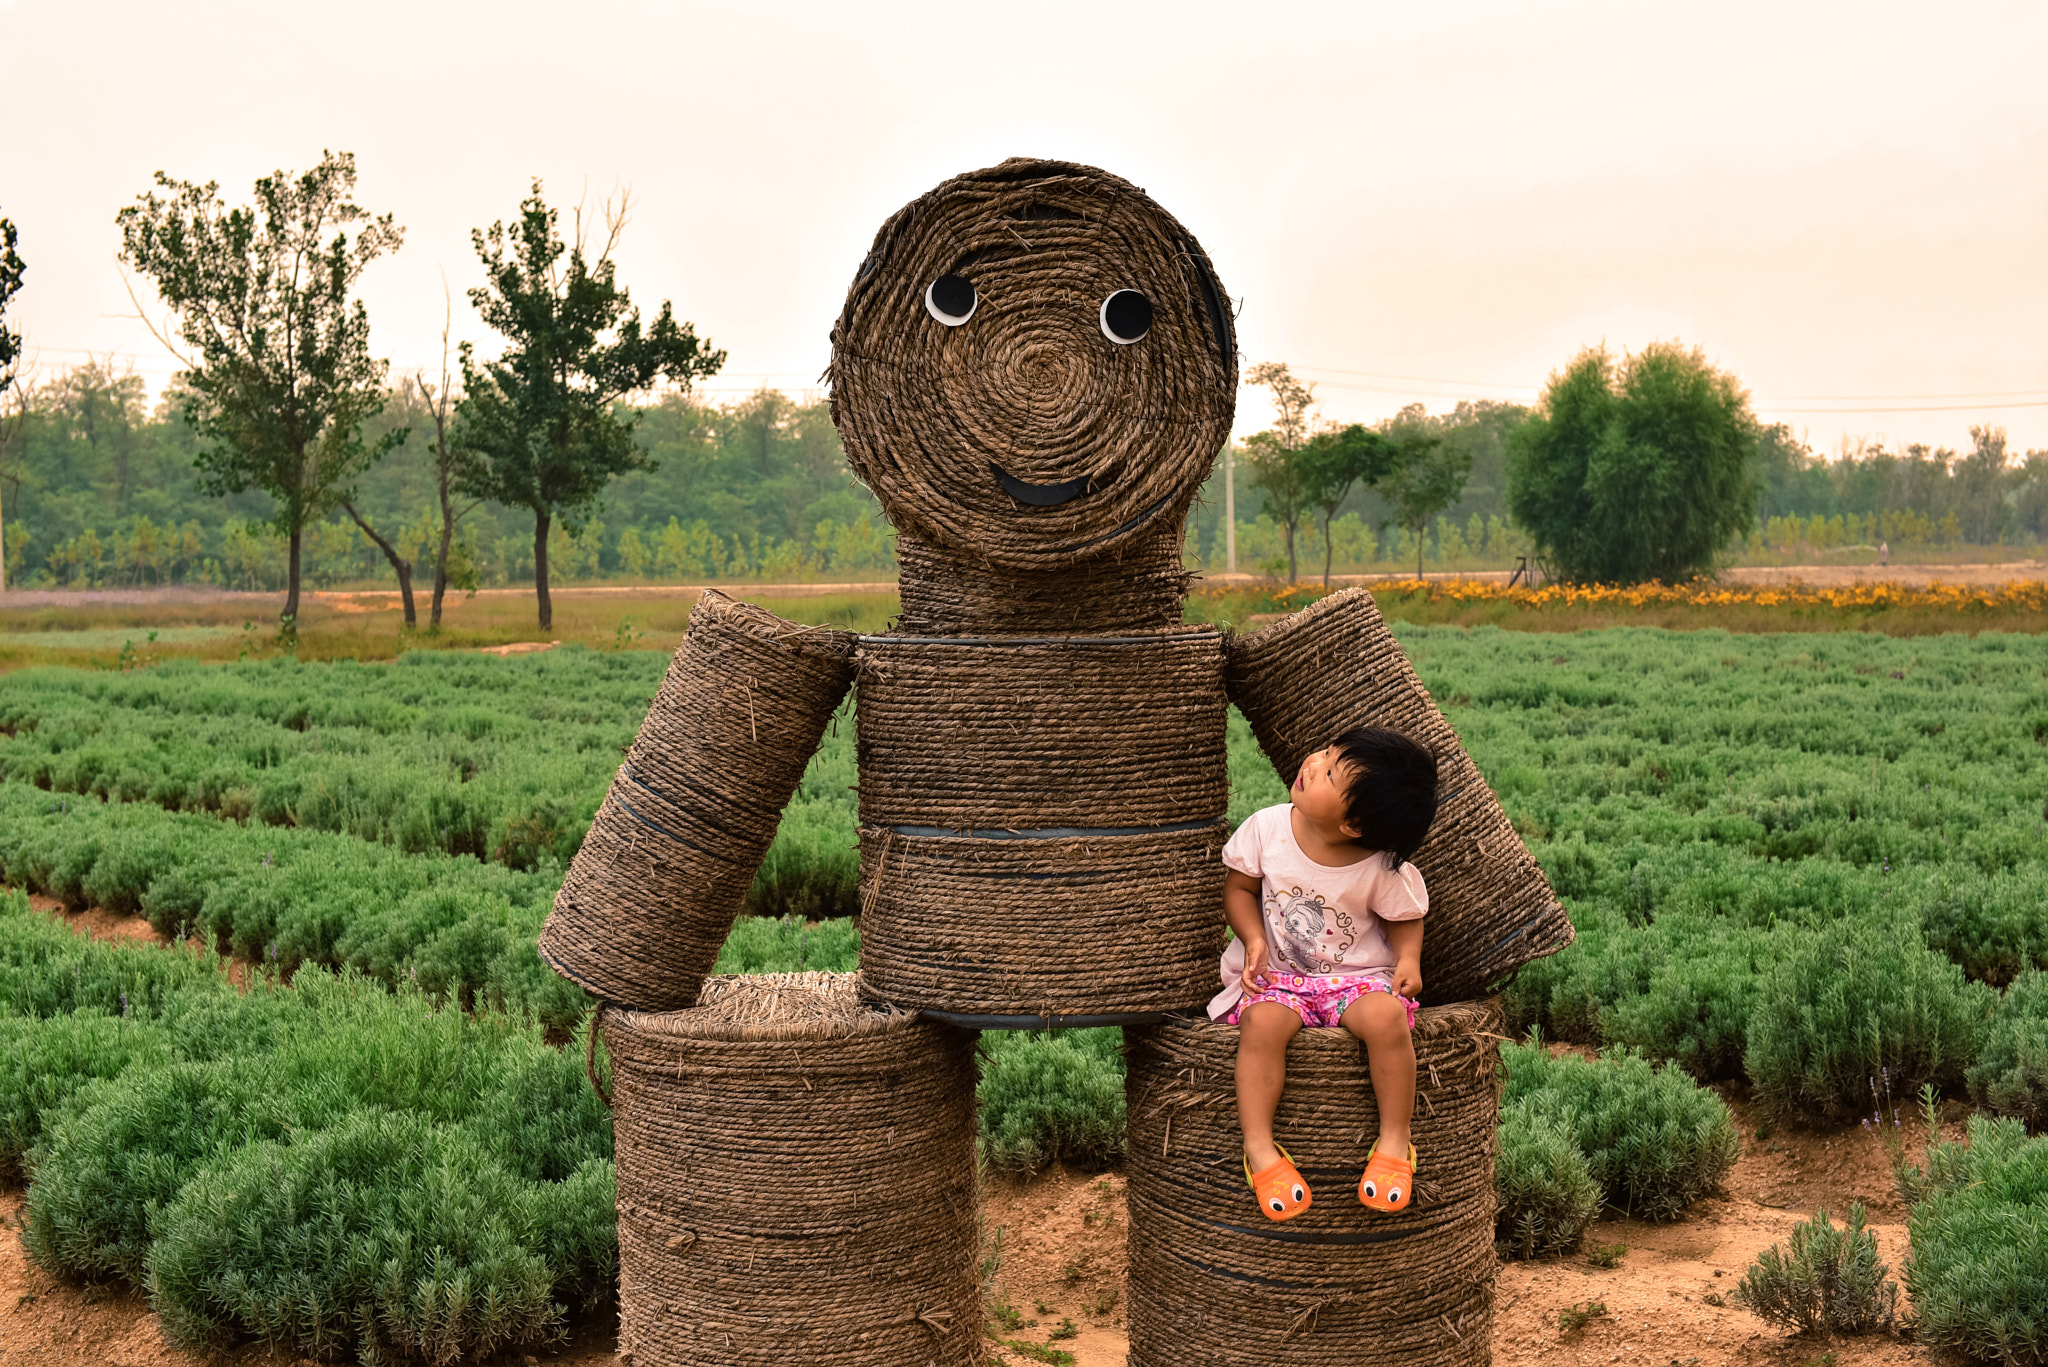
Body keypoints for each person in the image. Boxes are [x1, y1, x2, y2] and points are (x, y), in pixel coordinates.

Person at [1212, 725, 1437, 1221]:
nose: (1313, 762)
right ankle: (1260, 1147)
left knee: (1387, 1021)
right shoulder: (1267, 829)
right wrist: (1253, 938)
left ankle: (1395, 1141)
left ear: (1354, 824)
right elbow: (1239, 890)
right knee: (1261, 1025)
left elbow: (1405, 918)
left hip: (1354, 980)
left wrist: (1407, 961)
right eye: (1327, 753)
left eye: (1330, 771)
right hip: (1280, 976)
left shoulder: (1379, 866)